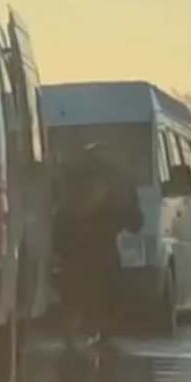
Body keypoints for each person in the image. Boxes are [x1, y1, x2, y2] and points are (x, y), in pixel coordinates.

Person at [53, 141, 143, 344]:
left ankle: (79, 340)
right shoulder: (119, 182)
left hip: (77, 249)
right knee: (101, 298)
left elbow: (60, 213)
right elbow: (136, 222)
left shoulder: (73, 177)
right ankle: (96, 338)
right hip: (94, 250)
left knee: (76, 299)